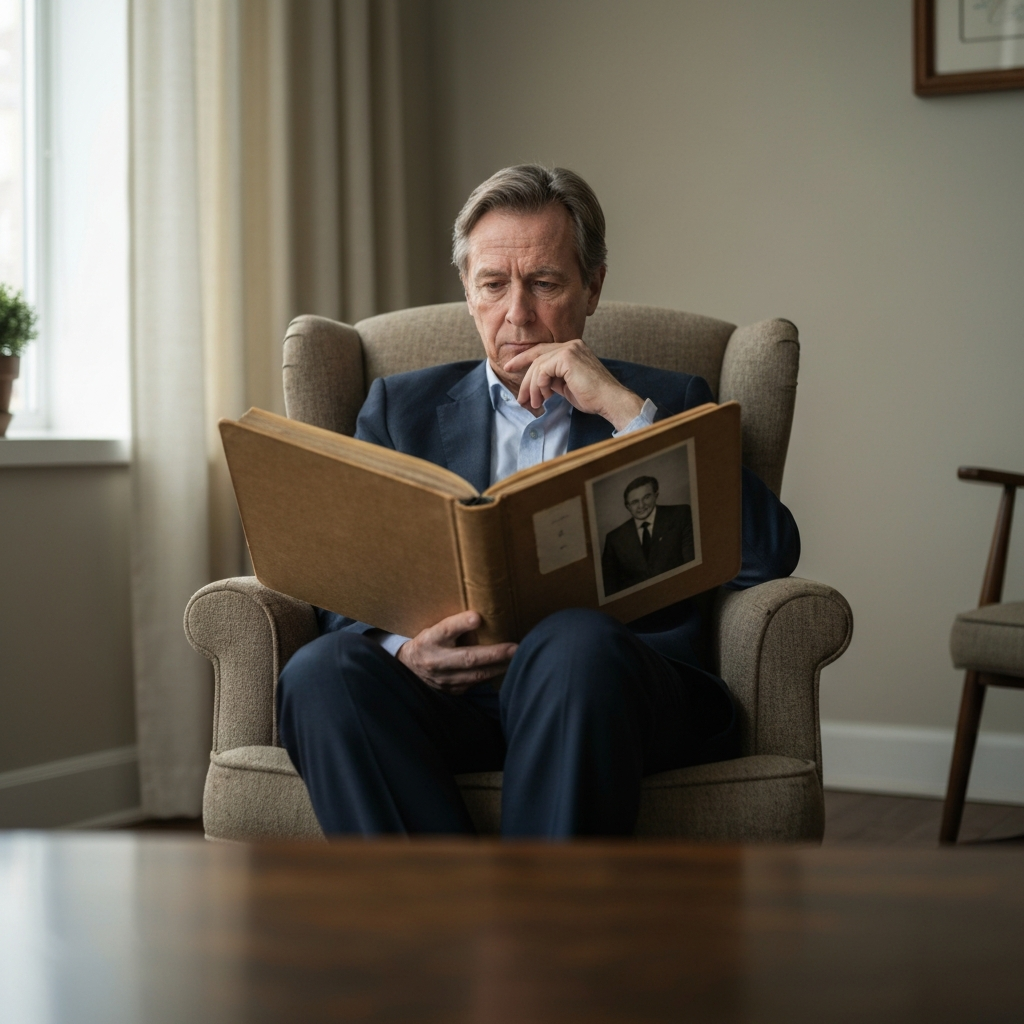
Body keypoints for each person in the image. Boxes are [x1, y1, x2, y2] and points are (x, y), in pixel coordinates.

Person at [277, 164, 800, 838]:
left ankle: (539, 908)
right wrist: (404, 651)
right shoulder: (398, 411)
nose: (517, 314)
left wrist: (623, 411)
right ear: (468, 292)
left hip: (606, 693)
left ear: (592, 287)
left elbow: (767, 556)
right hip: (450, 702)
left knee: (573, 641)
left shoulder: (666, 402)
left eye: (545, 284)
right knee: (320, 672)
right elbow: (342, 585)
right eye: (493, 285)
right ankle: (440, 907)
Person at [601, 475, 694, 597]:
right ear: (628, 507)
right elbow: (610, 588)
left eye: (646, 497)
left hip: (682, 594)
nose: (641, 505)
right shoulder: (614, 539)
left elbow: (692, 564)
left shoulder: (680, 514)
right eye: (635, 502)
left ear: (656, 495)